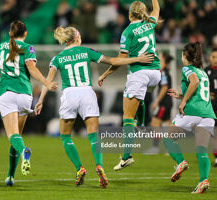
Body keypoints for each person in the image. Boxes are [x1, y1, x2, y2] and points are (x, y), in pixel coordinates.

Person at [34, 26, 153, 188]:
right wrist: (136, 59)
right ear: (76, 38)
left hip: (69, 94)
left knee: (65, 136)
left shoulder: (57, 58)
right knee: (93, 135)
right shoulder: (86, 51)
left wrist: (40, 100)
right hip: (87, 93)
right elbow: (113, 61)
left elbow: (47, 82)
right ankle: (99, 166)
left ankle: (79, 168)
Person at [0, 20, 57, 186]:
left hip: (6, 94)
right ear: (25, 34)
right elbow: (32, 69)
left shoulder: (0, 48)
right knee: (17, 135)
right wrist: (46, 83)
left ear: (10, 33)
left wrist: (3, 82)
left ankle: (24, 151)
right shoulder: (29, 48)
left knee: (13, 136)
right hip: (25, 94)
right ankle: (10, 176)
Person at [98, 0, 161, 170]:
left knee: (127, 116)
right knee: (137, 99)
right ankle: (140, 124)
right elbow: (156, 9)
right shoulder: (150, 23)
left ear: (130, 14)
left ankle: (126, 157)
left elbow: (120, 60)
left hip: (139, 73)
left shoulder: (127, 31)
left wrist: (105, 74)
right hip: (156, 73)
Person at [167, 42, 216, 194]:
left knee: (168, 138)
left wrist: (183, 101)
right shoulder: (203, 71)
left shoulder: (188, 68)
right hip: (208, 115)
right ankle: (203, 180)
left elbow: (193, 82)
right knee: (202, 150)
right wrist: (181, 94)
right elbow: (199, 90)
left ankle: (181, 162)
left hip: (192, 112)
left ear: (185, 55)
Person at [145, 52, 174, 154]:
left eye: (160, 57)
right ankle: (170, 147)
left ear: (163, 60)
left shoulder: (164, 72)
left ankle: (155, 148)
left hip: (164, 103)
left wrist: (156, 102)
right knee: (167, 124)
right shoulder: (163, 71)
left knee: (155, 123)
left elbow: (165, 87)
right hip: (167, 102)